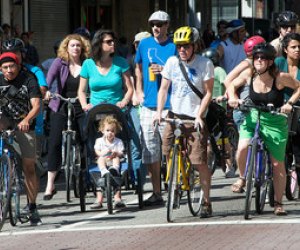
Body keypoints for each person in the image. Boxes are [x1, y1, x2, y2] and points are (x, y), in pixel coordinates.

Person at [227, 43, 300, 215]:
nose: (259, 60)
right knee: (243, 147)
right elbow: (231, 84)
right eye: (256, 57)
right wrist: (232, 97)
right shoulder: (249, 74)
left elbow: (298, 87)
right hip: (253, 117)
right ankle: (242, 178)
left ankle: (278, 203)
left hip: (275, 121)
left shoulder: (280, 77)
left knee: (277, 163)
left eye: (263, 58)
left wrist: (289, 103)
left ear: (270, 61)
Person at [153, 26, 214, 217]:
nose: (182, 50)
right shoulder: (172, 62)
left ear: (194, 46)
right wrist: (159, 112)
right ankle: (175, 181)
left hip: (194, 118)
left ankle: (206, 201)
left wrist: (199, 115)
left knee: (199, 162)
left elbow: (208, 93)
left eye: (186, 46)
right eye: (179, 46)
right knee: (165, 150)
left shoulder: (205, 64)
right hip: (174, 116)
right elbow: (163, 89)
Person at [78, 29, 141, 209]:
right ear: (99, 44)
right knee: (98, 149)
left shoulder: (120, 62)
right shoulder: (88, 64)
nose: (113, 44)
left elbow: (129, 88)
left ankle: (117, 195)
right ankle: (99, 197)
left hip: (116, 111)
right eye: (108, 42)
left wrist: (124, 101)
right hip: (96, 112)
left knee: (116, 148)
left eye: (113, 41)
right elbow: (82, 91)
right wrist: (84, 105)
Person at [135, 10, 177, 206]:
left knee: (169, 148)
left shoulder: (174, 46)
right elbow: (137, 67)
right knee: (151, 151)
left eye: (159, 24)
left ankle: (174, 186)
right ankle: (157, 192)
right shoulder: (144, 44)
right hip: (148, 104)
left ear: (167, 25)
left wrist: (165, 71)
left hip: (170, 104)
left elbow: (183, 70)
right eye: (152, 24)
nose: (155, 28)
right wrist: (138, 90)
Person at [43, 33, 91, 200]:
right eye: (72, 45)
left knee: (85, 139)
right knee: (54, 141)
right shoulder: (59, 62)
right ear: (66, 48)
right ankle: (50, 184)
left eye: (78, 45)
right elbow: (47, 81)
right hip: (61, 102)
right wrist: (47, 91)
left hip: (81, 103)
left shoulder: (87, 63)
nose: (76, 48)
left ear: (83, 48)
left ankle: (85, 176)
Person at [0, 52, 42, 225]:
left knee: (29, 167)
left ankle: (32, 206)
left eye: (12, 66)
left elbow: (37, 105)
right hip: (4, 120)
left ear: (18, 66)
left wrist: (27, 120)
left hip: (24, 122)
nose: (9, 70)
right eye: (5, 68)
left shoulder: (29, 79)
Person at [222, 35, 266, 130]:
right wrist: (234, 97)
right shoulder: (247, 63)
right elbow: (227, 80)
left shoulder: (256, 64)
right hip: (243, 110)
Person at [275, 32, 300, 173]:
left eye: (299, 47)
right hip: (279, 108)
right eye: (294, 47)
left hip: (296, 107)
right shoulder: (279, 63)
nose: (297, 50)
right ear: (285, 49)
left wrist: (290, 103)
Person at [92, 115, 125, 209]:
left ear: (116, 132)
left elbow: (122, 153)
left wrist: (116, 153)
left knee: (116, 159)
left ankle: (117, 198)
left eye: (112, 131)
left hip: (113, 160)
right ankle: (99, 199)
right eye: (107, 130)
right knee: (100, 159)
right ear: (102, 130)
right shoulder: (99, 141)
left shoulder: (118, 141)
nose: (110, 133)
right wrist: (102, 153)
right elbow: (97, 151)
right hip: (103, 159)